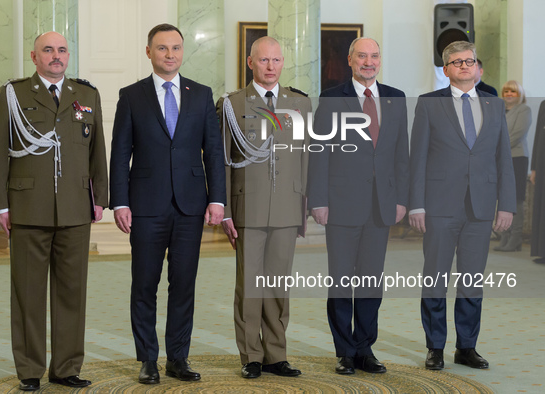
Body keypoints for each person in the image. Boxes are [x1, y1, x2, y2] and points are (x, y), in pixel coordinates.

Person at [0, 32, 108, 391]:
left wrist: (99, 197)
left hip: (74, 209)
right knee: (28, 294)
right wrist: (1, 204)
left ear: (69, 56)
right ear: (34, 56)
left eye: (62, 50)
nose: (56, 56)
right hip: (27, 207)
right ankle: (29, 370)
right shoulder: (14, 94)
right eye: (48, 50)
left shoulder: (86, 95)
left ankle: (67, 367)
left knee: (72, 293)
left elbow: (97, 149)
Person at [109, 24, 225, 384]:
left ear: (182, 51)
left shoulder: (202, 94)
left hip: (191, 206)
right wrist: (120, 202)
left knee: (183, 285)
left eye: (176, 48)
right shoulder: (131, 96)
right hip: (145, 206)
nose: (170, 54)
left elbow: (214, 152)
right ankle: (147, 359)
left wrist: (217, 198)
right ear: (149, 52)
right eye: (162, 48)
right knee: (144, 285)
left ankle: (178, 358)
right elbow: (120, 153)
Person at [409, 41, 515, 371]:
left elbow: (504, 159)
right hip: (440, 206)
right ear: (446, 70)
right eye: (457, 62)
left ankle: (466, 346)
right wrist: (416, 206)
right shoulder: (429, 105)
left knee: (472, 279)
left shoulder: (495, 105)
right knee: (435, 278)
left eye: (469, 61)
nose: (464, 66)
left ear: (478, 67)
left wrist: (507, 205)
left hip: (480, 208)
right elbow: (418, 159)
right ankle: (436, 347)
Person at [307, 37, 410, 375]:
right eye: (362, 56)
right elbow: (319, 152)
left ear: (380, 60)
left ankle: (365, 348)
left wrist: (401, 199)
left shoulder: (395, 98)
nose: (369, 62)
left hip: (381, 206)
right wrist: (318, 200)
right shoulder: (332, 98)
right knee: (340, 280)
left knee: (370, 281)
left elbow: (400, 155)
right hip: (341, 205)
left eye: (374, 56)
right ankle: (345, 352)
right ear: (350, 60)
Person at [217, 36, 310, 379]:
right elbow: (223, 161)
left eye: (276, 60)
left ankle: (276, 353)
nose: (271, 67)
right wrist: (225, 209)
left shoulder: (299, 103)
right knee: (250, 285)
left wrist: (304, 206)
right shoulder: (231, 103)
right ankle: (251, 355)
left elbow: (305, 158)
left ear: (283, 63)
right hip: (248, 208)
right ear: (250, 62)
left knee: (278, 284)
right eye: (264, 60)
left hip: (286, 207)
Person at [494, 81, 532, 252]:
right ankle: (505, 236)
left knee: (515, 199)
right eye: (506, 90)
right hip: (499, 159)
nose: (509, 94)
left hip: (516, 158)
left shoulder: (524, 110)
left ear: (520, 94)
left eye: (513, 91)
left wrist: (497, 147)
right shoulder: (499, 110)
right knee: (502, 197)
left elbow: (518, 133)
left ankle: (516, 238)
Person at [530, 101, 545, 264]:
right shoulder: (543, 104)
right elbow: (537, 138)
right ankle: (543, 250)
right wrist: (534, 167)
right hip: (542, 164)